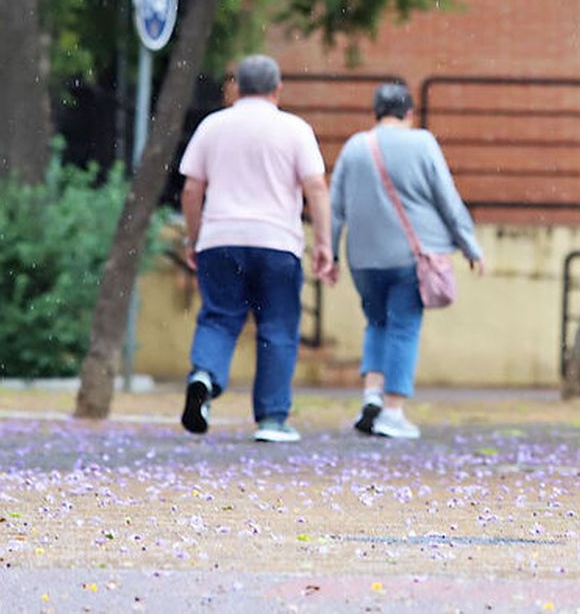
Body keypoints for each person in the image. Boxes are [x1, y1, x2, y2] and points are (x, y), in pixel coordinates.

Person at [178, 54, 337, 443]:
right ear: (278, 88)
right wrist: (324, 245)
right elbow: (315, 187)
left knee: (218, 317)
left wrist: (194, 238)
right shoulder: (295, 129)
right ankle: (272, 418)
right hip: (277, 242)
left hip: (221, 239)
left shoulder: (212, 126)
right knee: (277, 327)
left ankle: (205, 376)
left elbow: (191, 189)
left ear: (236, 87)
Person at [329, 80, 485, 439]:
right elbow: (447, 198)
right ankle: (393, 411)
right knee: (403, 327)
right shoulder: (422, 142)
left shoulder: (355, 146)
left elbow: (335, 205)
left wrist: (330, 250)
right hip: (410, 257)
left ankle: (371, 395)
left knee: (377, 322)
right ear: (410, 113)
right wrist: (469, 245)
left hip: (363, 258)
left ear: (376, 113)